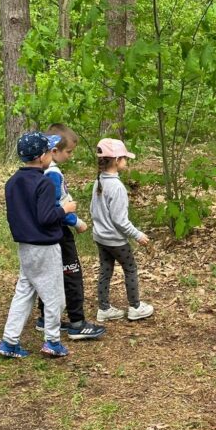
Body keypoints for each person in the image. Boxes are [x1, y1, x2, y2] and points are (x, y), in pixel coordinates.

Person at [0, 132, 76, 359]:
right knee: (54, 296)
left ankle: (9, 341)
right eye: (49, 152)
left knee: (24, 292)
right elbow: (46, 217)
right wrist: (65, 210)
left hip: (25, 246)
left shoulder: (12, 182)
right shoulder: (44, 183)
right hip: (45, 246)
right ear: (42, 157)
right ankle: (52, 341)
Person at [35, 123, 106, 340]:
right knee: (71, 273)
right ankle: (77, 322)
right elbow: (56, 207)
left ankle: (46, 318)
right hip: (60, 232)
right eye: (69, 152)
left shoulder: (40, 171)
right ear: (54, 151)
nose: (71, 156)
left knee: (50, 275)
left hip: (46, 234)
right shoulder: (53, 175)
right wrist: (76, 222)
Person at [91, 138, 153, 322]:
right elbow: (120, 220)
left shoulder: (100, 180)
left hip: (100, 237)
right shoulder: (117, 187)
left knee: (106, 269)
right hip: (116, 240)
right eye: (125, 158)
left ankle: (104, 308)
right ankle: (135, 307)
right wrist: (138, 235)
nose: (127, 161)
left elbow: (93, 210)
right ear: (117, 160)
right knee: (131, 269)